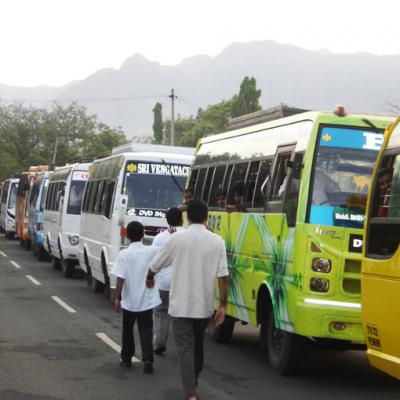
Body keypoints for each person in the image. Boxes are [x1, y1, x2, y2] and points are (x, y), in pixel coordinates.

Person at [146, 199, 229, 400]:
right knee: (197, 345)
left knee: (185, 350)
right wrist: (223, 306)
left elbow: (155, 264)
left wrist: (149, 277)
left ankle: (190, 393)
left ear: (187, 217)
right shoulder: (218, 241)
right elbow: (223, 277)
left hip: (180, 306)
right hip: (204, 307)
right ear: (207, 216)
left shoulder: (176, 240)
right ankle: (193, 381)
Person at [111, 221, 161, 374]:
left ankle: (126, 358)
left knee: (128, 330)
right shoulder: (152, 251)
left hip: (129, 301)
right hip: (146, 300)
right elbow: (166, 252)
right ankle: (147, 359)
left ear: (127, 236)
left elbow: (121, 277)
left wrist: (117, 297)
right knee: (146, 329)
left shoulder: (124, 254)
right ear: (143, 235)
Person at [152, 207, 184, 355]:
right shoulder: (187, 235)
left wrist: (149, 278)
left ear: (167, 220)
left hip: (163, 283)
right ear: (182, 218)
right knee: (182, 317)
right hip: (183, 284)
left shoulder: (160, 238)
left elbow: (154, 261)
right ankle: (184, 347)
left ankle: (159, 343)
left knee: (161, 313)